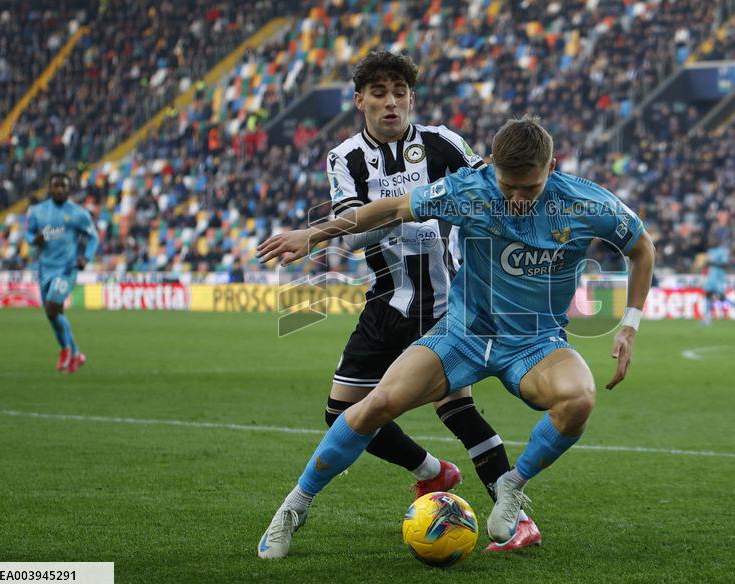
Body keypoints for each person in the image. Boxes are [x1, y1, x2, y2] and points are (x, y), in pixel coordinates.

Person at [254, 116, 655, 558]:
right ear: (492, 168)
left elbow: (641, 248)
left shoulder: (584, 203)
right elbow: (390, 209)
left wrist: (630, 325)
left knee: (579, 399)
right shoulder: (471, 189)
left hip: (535, 343)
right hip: (462, 334)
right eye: (508, 187)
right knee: (378, 405)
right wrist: (313, 233)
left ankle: (511, 485)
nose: (518, 199)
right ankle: (294, 507)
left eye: (531, 188)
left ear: (552, 168)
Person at [315, 51, 541, 550]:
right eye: (379, 93)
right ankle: (432, 471)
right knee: (340, 415)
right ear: (360, 101)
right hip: (386, 303)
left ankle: (521, 520)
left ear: (412, 98)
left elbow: (491, 194)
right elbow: (351, 240)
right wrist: (418, 205)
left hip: (448, 305)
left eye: (400, 92)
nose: (391, 102)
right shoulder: (345, 158)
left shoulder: (443, 143)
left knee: (458, 408)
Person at [25, 173, 98, 373]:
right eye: (56, 186)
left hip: (67, 269)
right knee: (53, 315)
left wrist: (86, 257)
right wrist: (34, 239)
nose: (59, 190)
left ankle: (65, 350)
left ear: (68, 189)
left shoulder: (78, 213)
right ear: (49, 188)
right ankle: (76, 353)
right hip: (45, 269)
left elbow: (93, 237)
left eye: (63, 186)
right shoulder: (38, 212)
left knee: (52, 308)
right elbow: (29, 233)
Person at [699, 234, 735, 325]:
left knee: (722, 297)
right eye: (710, 240)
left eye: (713, 240)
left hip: (719, 277)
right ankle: (706, 318)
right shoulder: (710, 251)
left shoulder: (723, 251)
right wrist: (705, 264)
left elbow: (725, 264)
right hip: (711, 277)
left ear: (717, 241)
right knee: (708, 295)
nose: (711, 242)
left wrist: (713, 262)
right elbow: (708, 263)